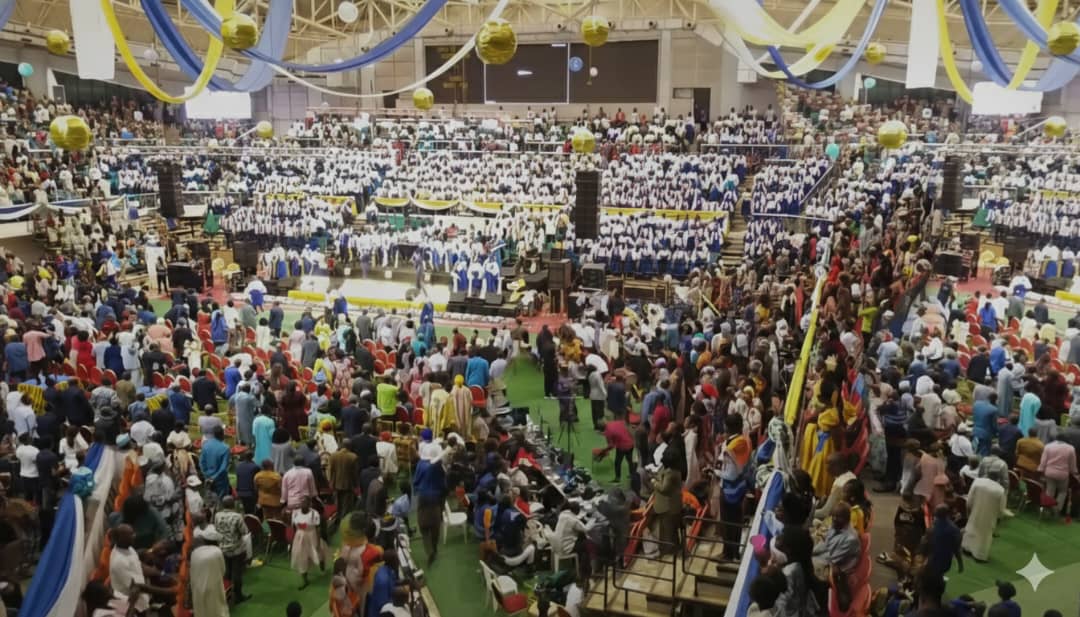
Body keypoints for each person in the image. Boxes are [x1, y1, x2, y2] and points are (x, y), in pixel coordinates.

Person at [213, 495, 252, 604]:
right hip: (236, 549)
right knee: (237, 574)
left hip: (223, 548)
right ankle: (238, 596)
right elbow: (245, 531)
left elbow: (216, 529)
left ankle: (228, 594)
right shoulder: (237, 516)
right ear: (233, 504)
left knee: (227, 573)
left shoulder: (217, 515)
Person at [962, 476, 1006, 562]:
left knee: (972, 528)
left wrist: (969, 509)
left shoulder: (977, 481)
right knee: (984, 536)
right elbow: (1001, 510)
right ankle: (979, 555)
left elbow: (969, 499)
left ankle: (966, 549)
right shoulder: (1001, 490)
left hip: (975, 511)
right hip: (990, 517)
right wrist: (998, 517)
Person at [190, 528, 229, 617]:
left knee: (202, 611)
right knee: (217, 610)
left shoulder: (194, 553)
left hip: (198, 589)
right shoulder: (217, 551)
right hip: (214, 586)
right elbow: (223, 570)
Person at [651, 448, 683, 552]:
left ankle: (670, 551)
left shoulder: (670, 473)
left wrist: (654, 482)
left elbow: (664, 489)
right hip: (672, 505)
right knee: (669, 530)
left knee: (669, 530)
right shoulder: (675, 470)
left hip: (668, 506)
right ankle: (670, 549)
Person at [291, 496, 326, 589]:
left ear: (309, 504)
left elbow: (318, 528)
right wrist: (294, 539)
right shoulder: (295, 513)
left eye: (305, 503)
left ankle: (322, 562)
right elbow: (294, 527)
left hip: (312, 536)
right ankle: (305, 580)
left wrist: (318, 541)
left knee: (318, 553)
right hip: (300, 538)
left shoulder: (314, 514)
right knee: (302, 558)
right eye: (301, 502)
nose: (303, 504)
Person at [1038, 432, 1078, 513]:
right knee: (1062, 492)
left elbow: (1043, 461)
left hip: (1049, 472)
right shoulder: (1070, 448)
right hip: (1063, 474)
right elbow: (1072, 464)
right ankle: (1056, 510)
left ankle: (1047, 509)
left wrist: (1041, 470)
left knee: (1050, 491)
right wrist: (1074, 471)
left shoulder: (1048, 446)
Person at [922, 504, 963, 578]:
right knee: (939, 576)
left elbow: (925, 545)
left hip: (932, 561)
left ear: (935, 514)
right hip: (946, 562)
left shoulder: (932, 529)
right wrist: (960, 564)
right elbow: (956, 549)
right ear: (947, 514)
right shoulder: (955, 530)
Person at [199, 426, 232, 498]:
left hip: (208, 478)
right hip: (220, 480)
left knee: (210, 501)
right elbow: (223, 467)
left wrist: (206, 475)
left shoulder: (205, 445)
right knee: (221, 500)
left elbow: (201, 463)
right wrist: (214, 477)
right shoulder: (225, 448)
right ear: (222, 434)